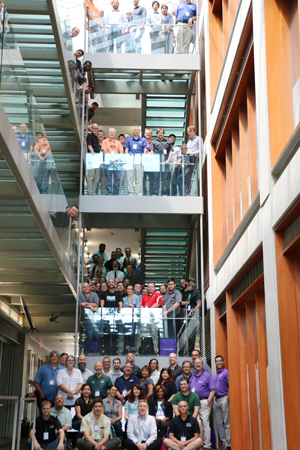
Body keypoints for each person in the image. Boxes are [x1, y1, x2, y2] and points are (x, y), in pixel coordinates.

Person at [189, 358, 216, 450]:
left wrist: (209, 400)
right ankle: (197, 444)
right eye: (195, 363)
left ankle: (206, 445)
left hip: (203, 402)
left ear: (203, 365)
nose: (197, 364)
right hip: (193, 403)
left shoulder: (207, 375)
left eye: (199, 363)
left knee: (205, 423)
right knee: (196, 423)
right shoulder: (193, 376)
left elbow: (213, 389)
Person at [213, 355, 231, 450]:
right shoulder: (215, 373)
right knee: (219, 423)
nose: (219, 362)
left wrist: (227, 397)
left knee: (227, 422)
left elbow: (230, 385)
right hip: (216, 400)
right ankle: (224, 443)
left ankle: (228, 444)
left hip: (224, 399)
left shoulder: (226, 372)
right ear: (215, 363)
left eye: (220, 361)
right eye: (217, 361)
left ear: (223, 362)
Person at [79, 282, 101, 355]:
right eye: (84, 287)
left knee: (97, 335)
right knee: (90, 333)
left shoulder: (94, 294)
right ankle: (90, 351)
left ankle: (97, 351)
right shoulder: (80, 294)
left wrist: (86, 304)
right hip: (86, 318)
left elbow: (96, 305)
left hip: (95, 318)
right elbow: (80, 304)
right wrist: (90, 306)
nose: (86, 288)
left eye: (87, 286)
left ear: (90, 287)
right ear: (82, 288)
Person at [125, 126, 148, 196]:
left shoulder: (143, 140)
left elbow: (145, 150)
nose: (136, 131)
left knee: (139, 178)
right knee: (130, 178)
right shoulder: (128, 140)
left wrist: (142, 159)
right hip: (130, 159)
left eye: (137, 130)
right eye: (135, 130)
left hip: (139, 159)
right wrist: (128, 158)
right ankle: (131, 193)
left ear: (139, 131)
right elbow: (126, 150)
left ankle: (139, 193)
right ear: (132, 131)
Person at [150, 129, 173, 196]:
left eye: (161, 133)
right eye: (159, 133)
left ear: (163, 134)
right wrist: (154, 160)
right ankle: (155, 193)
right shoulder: (153, 142)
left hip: (165, 163)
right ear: (157, 134)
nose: (160, 134)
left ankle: (164, 193)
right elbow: (151, 151)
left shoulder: (168, 142)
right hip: (157, 163)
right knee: (156, 178)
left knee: (165, 179)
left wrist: (168, 160)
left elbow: (171, 152)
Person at [102, 128, 123, 195]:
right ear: (108, 133)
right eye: (110, 132)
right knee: (108, 178)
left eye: (113, 132)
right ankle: (109, 192)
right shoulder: (105, 141)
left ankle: (115, 192)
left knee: (117, 178)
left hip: (117, 163)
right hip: (108, 162)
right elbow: (104, 151)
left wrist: (116, 159)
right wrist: (111, 158)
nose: (111, 133)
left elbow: (121, 152)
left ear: (115, 134)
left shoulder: (118, 142)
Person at [123, 284, 139, 352]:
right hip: (126, 318)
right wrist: (128, 306)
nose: (129, 290)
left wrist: (133, 308)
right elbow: (122, 309)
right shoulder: (124, 298)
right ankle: (127, 348)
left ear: (133, 290)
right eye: (128, 289)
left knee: (132, 334)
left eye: (131, 289)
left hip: (133, 318)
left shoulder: (136, 297)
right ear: (126, 290)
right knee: (126, 334)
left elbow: (138, 308)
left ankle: (133, 348)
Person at [86, 123, 101, 195]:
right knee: (91, 176)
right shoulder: (90, 136)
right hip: (92, 158)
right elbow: (89, 146)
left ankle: (94, 192)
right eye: (94, 128)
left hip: (98, 159)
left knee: (97, 177)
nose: (95, 129)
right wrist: (94, 156)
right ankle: (90, 192)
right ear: (91, 129)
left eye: (96, 128)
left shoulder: (97, 137)